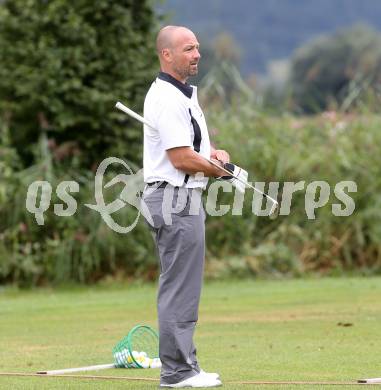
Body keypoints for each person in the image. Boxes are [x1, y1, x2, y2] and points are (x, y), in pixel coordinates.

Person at [142, 25, 230, 388]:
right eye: (188, 49)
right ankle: (178, 372)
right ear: (167, 55)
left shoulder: (182, 95)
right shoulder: (166, 96)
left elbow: (188, 148)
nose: (197, 54)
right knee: (180, 287)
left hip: (180, 198)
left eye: (197, 48)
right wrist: (217, 170)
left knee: (182, 285)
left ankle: (185, 366)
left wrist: (212, 156)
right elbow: (179, 158)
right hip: (174, 198)